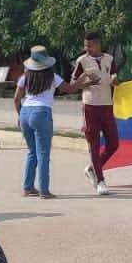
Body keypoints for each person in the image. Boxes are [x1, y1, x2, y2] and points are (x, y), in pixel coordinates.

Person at [15, 46, 92, 198]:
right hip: (41, 113)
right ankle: (44, 190)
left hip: (25, 112)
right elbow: (69, 89)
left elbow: (17, 99)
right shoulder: (52, 77)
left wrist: (19, 116)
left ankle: (28, 187)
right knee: (43, 154)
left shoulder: (25, 77)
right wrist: (83, 79)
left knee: (32, 152)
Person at [73, 33, 121, 195]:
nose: (87, 49)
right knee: (93, 145)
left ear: (98, 44)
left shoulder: (109, 58)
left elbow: (114, 76)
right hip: (90, 106)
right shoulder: (82, 61)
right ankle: (100, 181)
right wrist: (88, 82)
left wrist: (115, 80)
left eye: (90, 45)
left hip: (107, 105)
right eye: (85, 46)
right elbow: (73, 84)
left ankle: (92, 169)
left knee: (113, 143)